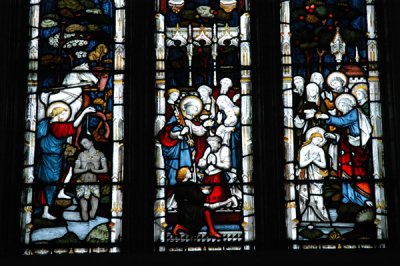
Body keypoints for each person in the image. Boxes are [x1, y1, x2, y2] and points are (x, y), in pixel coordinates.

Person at [34, 102, 96, 220]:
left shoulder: (49, 124)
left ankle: (60, 192)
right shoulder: (56, 127)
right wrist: (84, 112)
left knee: (67, 170)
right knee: (51, 183)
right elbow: (73, 126)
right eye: (63, 113)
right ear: (58, 114)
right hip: (51, 159)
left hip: (56, 157)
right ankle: (45, 211)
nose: (65, 115)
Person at [316, 94, 373, 207]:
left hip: (356, 148)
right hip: (347, 149)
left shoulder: (354, 112)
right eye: (340, 106)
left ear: (349, 104)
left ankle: (364, 197)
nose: (341, 108)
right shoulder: (348, 115)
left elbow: (342, 121)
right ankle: (348, 196)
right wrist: (334, 138)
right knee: (345, 172)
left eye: (342, 105)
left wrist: (326, 117)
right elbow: (343, 134)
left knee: (358, 172)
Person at [158, 95, 213, 186]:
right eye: (192, 109)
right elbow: (168, 133)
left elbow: (198, 131)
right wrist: (180, 133)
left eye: (196, 111)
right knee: (174, 175)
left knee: (187, 171)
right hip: (175, 152)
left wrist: (204, 126)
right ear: (185, 107)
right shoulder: (176, 118)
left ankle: (186, 187)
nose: (194, 113)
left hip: (186, 152)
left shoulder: (187, 121)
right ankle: (172, 193)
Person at [172, 166, 238, 239]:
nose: (191, 173)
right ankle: (211, 231)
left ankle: (180, 227)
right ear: (184, 174)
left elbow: (179, 198)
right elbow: (198, 198)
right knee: (206, 211)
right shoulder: (190, 185)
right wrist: (203, 193)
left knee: (194, 230)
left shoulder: (178, 185)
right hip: (190, 209)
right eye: (188, 172)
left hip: (183, 209)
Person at [297, 127, 330, 222]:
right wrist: (312, 159)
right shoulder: (304, 149)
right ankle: (302, 219)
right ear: (312, 138)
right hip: (305, 176)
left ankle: (323, 219)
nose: (319, 142)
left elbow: (324, 165)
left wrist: (314, 160)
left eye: (321, 140)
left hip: (317, 176)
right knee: (303, 198)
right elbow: (301, 164)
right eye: (318, 139)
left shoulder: (320, 150)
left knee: (318, 198)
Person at [73, 136, 108, 221]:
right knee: (84, 209)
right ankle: (85, 227)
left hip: (94, 184)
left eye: (85, 143)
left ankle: (90, 225)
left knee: (94, 209)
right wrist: (85, 169)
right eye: (82, 144)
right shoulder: (81, 155)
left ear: (91, 142)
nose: (83, 145)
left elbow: (105, 169)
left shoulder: (100, 155)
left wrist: (94, 170)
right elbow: (75, 170)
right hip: (82, 184)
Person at [198, 135, 233, 203]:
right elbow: (200, 164)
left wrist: (216, 163)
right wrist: (206, 162)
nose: (211, 146)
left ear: (219, 144)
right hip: (207, 178)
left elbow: (227, 166)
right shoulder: (208, 150)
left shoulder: (225, 150)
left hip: (218, 177)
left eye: (213, 144)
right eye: (209, 144)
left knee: (218, 198)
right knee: (206, 199)